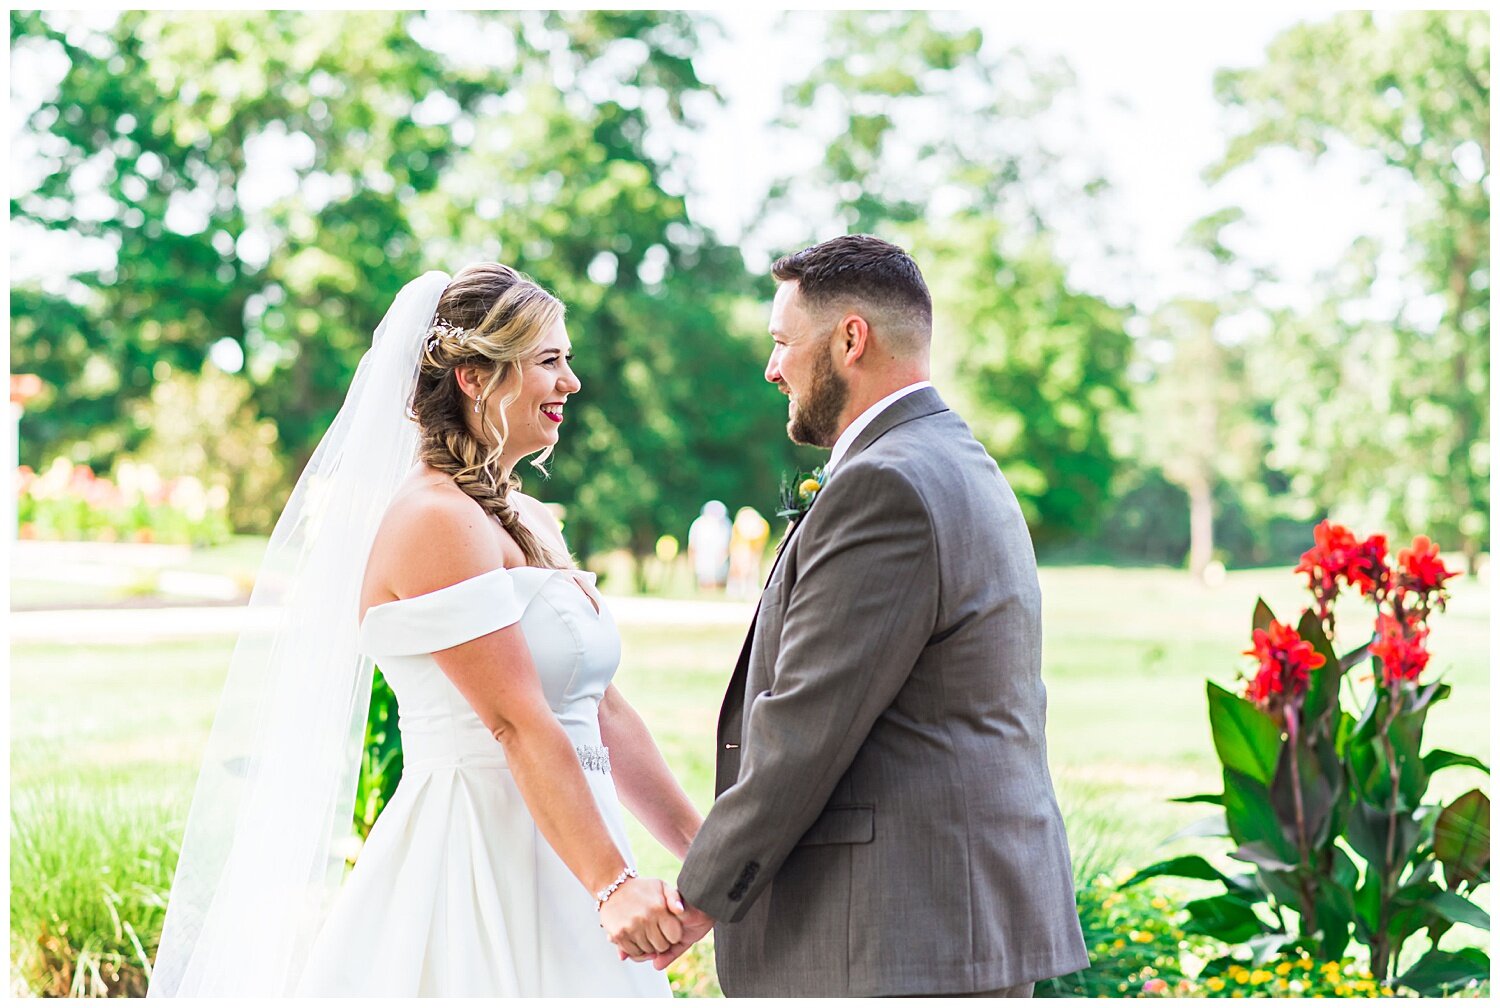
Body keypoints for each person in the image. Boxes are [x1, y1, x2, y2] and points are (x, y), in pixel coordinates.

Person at [150, 265, 701, 996]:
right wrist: (611, 885)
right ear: (474, 378)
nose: (571, 381)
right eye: (548, 361)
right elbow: (513, 719)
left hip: (574, 840)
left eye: (567, 359)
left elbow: (603, 710)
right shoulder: (433, 519)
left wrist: (708, 858)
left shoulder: (528, 516)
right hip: (478, 853)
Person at [650, 236, 1091, 996]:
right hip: (946, 923)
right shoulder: (956, 459)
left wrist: (696, 898)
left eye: (783, 342)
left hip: (898, 932)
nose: (772, 368)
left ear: (851, 338)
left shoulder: (885, 484)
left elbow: (806, 726)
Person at [726, 505, 770, 599]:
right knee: (739, 568)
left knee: (752, 568)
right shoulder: (739, 525)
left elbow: (759, 543)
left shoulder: (761, 524)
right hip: (741, 547)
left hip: (752, 548)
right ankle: (736, 588)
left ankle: (750, 588)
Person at [687, 500, 732, 590]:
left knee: (719, 582)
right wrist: (692, 559)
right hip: (703, 558)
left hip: (720, 558)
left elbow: (729, 543)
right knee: (705, 582)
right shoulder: (698, 524)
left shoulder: (726, 524)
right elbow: (692, 544)